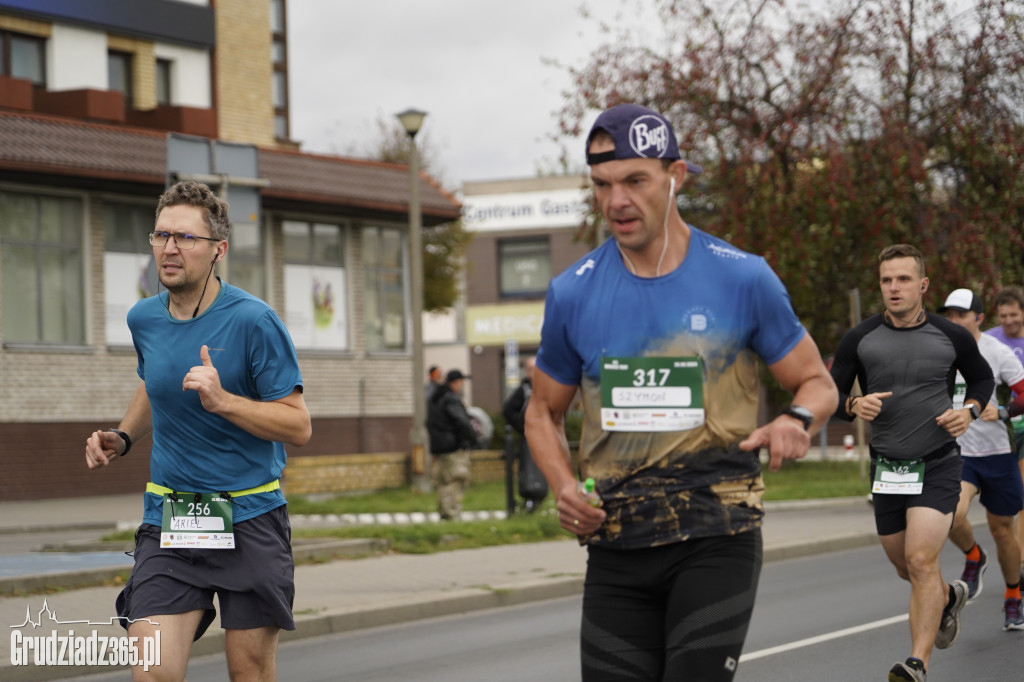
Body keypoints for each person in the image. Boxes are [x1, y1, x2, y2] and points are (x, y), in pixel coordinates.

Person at [524, 103, 838, 681]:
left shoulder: (742, 277)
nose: (616, 201)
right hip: (616, 545)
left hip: (717, 533)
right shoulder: (572, 293)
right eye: (602, 185)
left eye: (635, 181)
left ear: (677, 177)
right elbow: (542, 411)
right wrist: (564, 488)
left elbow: (817, 382)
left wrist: (796, 419)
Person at [84, 180, 312, 681]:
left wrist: (224, 401)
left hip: (249, 515)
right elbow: (153, 385)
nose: (169, 247)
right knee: (154, 670)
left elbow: (298, 425)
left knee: (248, 671)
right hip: (174, 518)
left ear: (217, 251)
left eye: (185, 238)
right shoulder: (144, 318)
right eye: (162, 235)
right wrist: (121, 437)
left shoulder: (255, 321)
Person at [829, 245, 994, 682]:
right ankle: (947, 598)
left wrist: (971, 410)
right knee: (904, 565)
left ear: (922, 285)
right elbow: (830, 395)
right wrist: (853, 404)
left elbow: (982, 378)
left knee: (921, 560)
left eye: (903, 279)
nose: (894, 288)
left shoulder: (952, 335)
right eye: (886, 280)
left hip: (938, 462)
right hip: (887, 467)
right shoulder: (859, 338)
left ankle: (917, 663)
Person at [939, 288, 1024, 631]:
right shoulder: (939, 349)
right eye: (951, 315)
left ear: (978, 318)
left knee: (1002, 531)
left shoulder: (997, 352)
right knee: (948, 515)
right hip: (960, 455)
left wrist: (1002, 411)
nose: (955, 321)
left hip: (999, 455)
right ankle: (974, 556)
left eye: (962, 315)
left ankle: (1013, 596)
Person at [984, 286, 1024, 575]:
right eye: (1003, 315)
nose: (1008, 320)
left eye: (1014, 314)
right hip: (1001, 428)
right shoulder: (988, 341)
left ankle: (1019, 562)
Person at [427, 369, 477, 519]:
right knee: (456, 480)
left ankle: (444, 513)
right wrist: (471, 438)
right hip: (453, 447)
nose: (462, 385)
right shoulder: (450, 399)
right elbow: (462, 421)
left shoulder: (435, 398)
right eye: (461, 382)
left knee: (443, 482)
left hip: (438, 448)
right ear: (455, 383)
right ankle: (452, 514)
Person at [502, 356, 548, 510]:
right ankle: (530, 499)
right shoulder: (523, 390)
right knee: (529, 469)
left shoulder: (546, 387)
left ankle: (541, 498)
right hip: (529, 439)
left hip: (546, 437)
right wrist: (522, 428)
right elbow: (508, 410)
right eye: (532, 369)